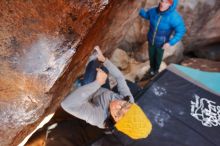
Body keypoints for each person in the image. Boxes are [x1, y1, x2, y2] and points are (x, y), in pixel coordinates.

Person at [61, 46, 152, 139]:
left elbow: (67, 105)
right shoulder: (129, 100)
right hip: (104, 90)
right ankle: (91, 72)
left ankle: (80, 83)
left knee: (93, 67)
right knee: (103, 67)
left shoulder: (99, 118)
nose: (118, 105)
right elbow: (120, 78)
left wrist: (98, 83)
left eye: (118, 113)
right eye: (125, 106)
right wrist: (104, 60)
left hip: (88, 96)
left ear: (116, 122)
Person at [139, 0, 186, 77]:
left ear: (171, 5)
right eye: (162, 1)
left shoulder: (174, 17)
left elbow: (181, 31)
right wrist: (138, 9)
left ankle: (156, 71)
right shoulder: (153, 11)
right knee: (151, 55)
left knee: (158, 58)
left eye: (166, 2)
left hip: (162, 43)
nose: (163, 4)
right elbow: (146, 15)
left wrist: (170, 43)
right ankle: (151, 69)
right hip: (151, 39)